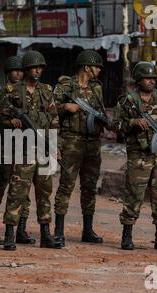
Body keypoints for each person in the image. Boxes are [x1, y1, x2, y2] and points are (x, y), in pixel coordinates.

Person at [114, 61, 157, 251]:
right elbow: (115, 126)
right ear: (138, 80)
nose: (151, 81)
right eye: (147, 78)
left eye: (153, 78)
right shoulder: (128, 101)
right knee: (134, 195)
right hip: (139, 156)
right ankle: (126, 236)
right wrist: (133, 122)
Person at [0, 50, 62, 251]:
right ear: (26, 69)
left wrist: (54, 146)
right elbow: (1, 116)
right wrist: (11, 122)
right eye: (34, 67)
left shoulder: (46, 91)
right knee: (17, 192)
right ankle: (10, 234)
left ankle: (46, 235)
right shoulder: (14, 91)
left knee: (44, 193)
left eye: (40, 67)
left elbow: (53, 120)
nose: (38, 70)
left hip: (43, 148)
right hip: (23, 149)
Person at [53, 50, 110, 247]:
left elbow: (100, 110)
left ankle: (88, 229)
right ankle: (58, 231)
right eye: (96, 67)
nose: (99, 70)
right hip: (71, 140)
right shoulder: (66, 85)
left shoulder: (96, 88)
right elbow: (49, 110)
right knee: (66, 184)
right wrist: (65, 108)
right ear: (87, 67)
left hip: (92, 142)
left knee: (89, 186)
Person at [0, 55, 34, 245]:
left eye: (21, 71)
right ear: (8, 72)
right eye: (15, 70)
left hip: (23, 146)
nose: (19, 74)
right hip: (1, 144)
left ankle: (20, 228)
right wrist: (5, 122)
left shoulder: (29, 93)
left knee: (22, 188)